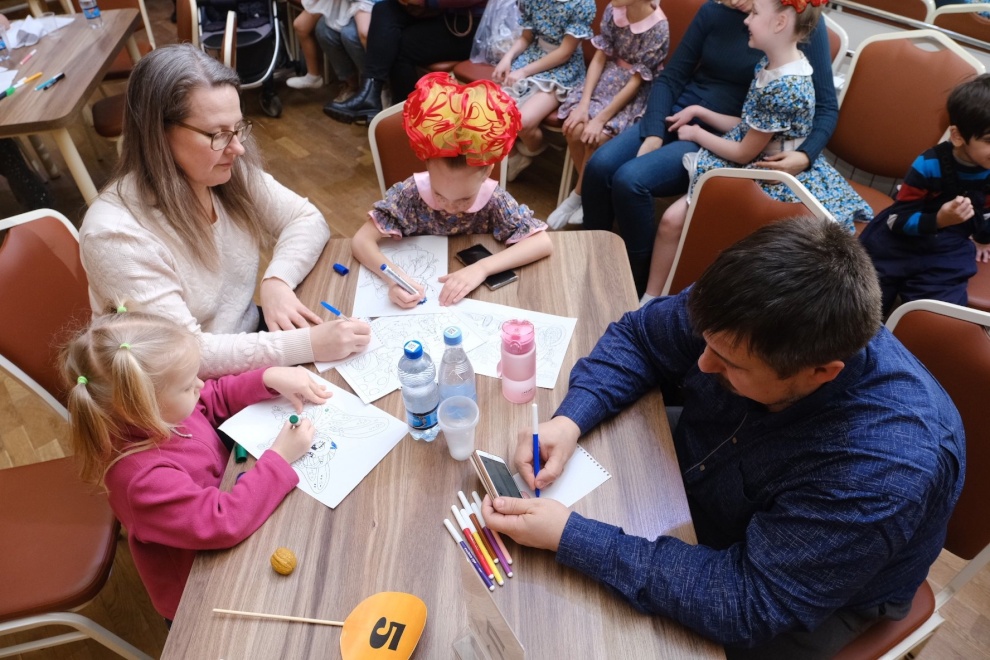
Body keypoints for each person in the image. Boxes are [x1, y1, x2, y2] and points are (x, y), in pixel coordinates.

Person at [483, 217, 965, 659]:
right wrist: (570, 420)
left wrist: (572, 537)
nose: (702, 363)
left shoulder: (881, 469)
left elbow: (747, 603)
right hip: (708, 477)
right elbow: (642, 338)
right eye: (705, 340)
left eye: (730, 364)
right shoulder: (747, 311)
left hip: (808, 587)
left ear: (821, 372)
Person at [79, 45, 371, 380]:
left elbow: (306, 219)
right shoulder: (114, 234)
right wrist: (308, 344)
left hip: (246, 347)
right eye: (218, 134)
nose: (238, 148)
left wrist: (277, 281)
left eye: (238, 128)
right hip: (188, 389)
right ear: (157, 134)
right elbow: (187, 354)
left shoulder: (220, 169)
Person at [63, 308, 330, 624]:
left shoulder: (160, 410)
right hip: (201, 588)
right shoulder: (142, 481)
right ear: (140, 406)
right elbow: (222, 521)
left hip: (232, 509)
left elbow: (212, 398)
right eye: (188, 385)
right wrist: (280, 457)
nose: (201, 385)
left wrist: (266, 378)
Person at [581, 0, 838, 295]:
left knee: (630, 181)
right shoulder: (714, 11)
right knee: (599, 166)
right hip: (684, 113)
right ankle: (592, 257)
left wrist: (805, 155)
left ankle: (632, 278)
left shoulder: (795, 21)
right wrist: (654, 131)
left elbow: (825, 107)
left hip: (723, 135)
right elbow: (671, 77)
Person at [640, 0, 870, 304]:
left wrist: (696, 132)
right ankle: (652, 299)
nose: (747, 20)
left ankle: (660, 300)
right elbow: (752, 127)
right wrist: (701, 112)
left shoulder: (783, 86)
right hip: (758, 155)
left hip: (770, 173)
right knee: (672, 222)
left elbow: (743, 152)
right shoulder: (772, 64)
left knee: (679, 224)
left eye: (755, 13)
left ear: (779, 23)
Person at [351, 73, 553, 307]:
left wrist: (482, 268)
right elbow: (361, 241)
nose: (450, 207)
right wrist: (394, 278)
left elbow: (542, 243)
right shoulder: (409, 195)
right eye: (439, 195)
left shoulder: (494, 199)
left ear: (487, 172)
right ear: (427, 165)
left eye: (465, 199)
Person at [859, 73, 990, 315]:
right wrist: (939, 219)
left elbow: (985, 215)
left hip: (948, 249)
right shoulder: (929, 164)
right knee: (862, 302)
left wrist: (983, 238)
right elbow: (896, 220)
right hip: (899, 241)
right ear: (957, 136)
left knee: (941, 313)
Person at [549, 0, 669, 228]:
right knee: (574, 129)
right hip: (607, 79)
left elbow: (636, 81)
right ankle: (591, 194)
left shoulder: (659, 28)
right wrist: (584, 104)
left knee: (596, 138)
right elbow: (600, 57)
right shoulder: (614, 8)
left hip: (634, 92)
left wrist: (600, 118)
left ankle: (578, 195)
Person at [323, 0, 488, 124]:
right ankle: (371, 91)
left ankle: (408, 118)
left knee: (400, 46)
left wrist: (425, 1)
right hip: (442, 14)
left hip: (471, 26)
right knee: (383, 9)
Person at [491, 0, 596, 181]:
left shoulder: (583, 4)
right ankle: (515, 157)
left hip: (562, 68)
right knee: (493, 108)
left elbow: (564, 53)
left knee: (523, 122)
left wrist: (524, 71)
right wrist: (507, 58)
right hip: (532, 56)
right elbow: (526, 37)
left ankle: (536, 149)